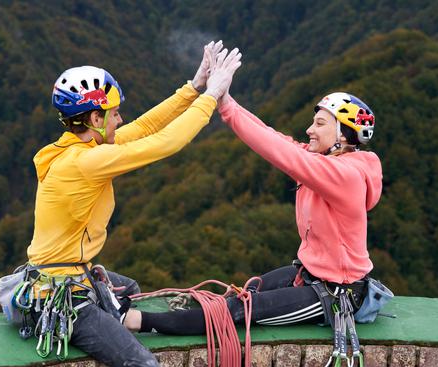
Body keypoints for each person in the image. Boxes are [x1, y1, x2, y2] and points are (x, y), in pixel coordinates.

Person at [24, 42, 241, 367]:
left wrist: (192, 88)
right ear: (94, 117)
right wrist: (212, 97)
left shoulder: (80, 149)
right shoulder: (84, 163)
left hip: (70, 275)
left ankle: (117, 321)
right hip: (63, 294)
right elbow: (162, 145)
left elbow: (141, 129)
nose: (120, 119)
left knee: (130, 288)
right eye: (114, 113)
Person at [124, 91, 382, 334]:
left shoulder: (345, 175)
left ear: (344, 135)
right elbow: (274, 137)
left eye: (320, 124)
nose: (309, 130)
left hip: (337, 292)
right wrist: (226, 102)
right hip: (312, 274)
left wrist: (225, 107)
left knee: (238, 310)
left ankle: (139, 321)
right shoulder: (326, 163)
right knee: (249, 290)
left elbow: (281, 152)